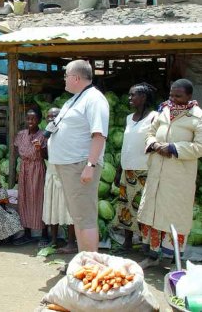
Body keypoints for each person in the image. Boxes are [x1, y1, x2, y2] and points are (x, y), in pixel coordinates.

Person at [138, 78, 202, 269]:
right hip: (157, 171)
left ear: (189, 96)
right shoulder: (163, 110)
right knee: (154, 213)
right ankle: (152, 256)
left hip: (178, 178)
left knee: (175, 217)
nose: (173, 99)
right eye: (171, 94)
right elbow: (150, 132)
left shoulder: (197, 117)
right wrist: (154, 144)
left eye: (178, 95)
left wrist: (174, 148)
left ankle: (174, 260)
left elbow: (199, 147)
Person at [48, 60, 109, 253]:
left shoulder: (94, 99)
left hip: (80, 165)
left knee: (85, 217)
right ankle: (85, 261)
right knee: (79, 217)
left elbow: (99, 135)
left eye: (66, 75)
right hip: (69, 166)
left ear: (75, 78)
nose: (64, 79)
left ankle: (91, 266)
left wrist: (90, 165)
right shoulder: (75, 99)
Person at [111, 83, 158, 251]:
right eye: (129, 95)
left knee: (144, 208)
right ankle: (128, 241)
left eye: (133, 95)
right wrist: (119, 170)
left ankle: (146, 243)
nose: (130, 98)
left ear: (143, 97)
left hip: (145, 170)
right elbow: (126, 145)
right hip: (127, 169)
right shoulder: (128, 118)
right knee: (125, 206)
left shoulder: (154, 117)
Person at [42, 107, 76, 252]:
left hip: (65, 176)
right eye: (48, 117)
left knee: (69, 211)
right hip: (52, 173)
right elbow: (49, 155)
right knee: (52, 208)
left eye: (54, 116)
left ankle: (71, 244)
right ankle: (54, 240)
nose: (51, 119)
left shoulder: (67, 133)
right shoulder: (49, 134)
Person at [13, 108, 48, 246]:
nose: (30, 121)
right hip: (24, 170)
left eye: (33, 119)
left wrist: (41, 149)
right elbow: (17, 150)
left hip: (38, 169)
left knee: (39, 200)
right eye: (28, 118)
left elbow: (47, 156)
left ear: (39, 120)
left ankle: (44, 234)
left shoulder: (43, 135)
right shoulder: (21, 134)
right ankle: (27, 233)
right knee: (24, 200)